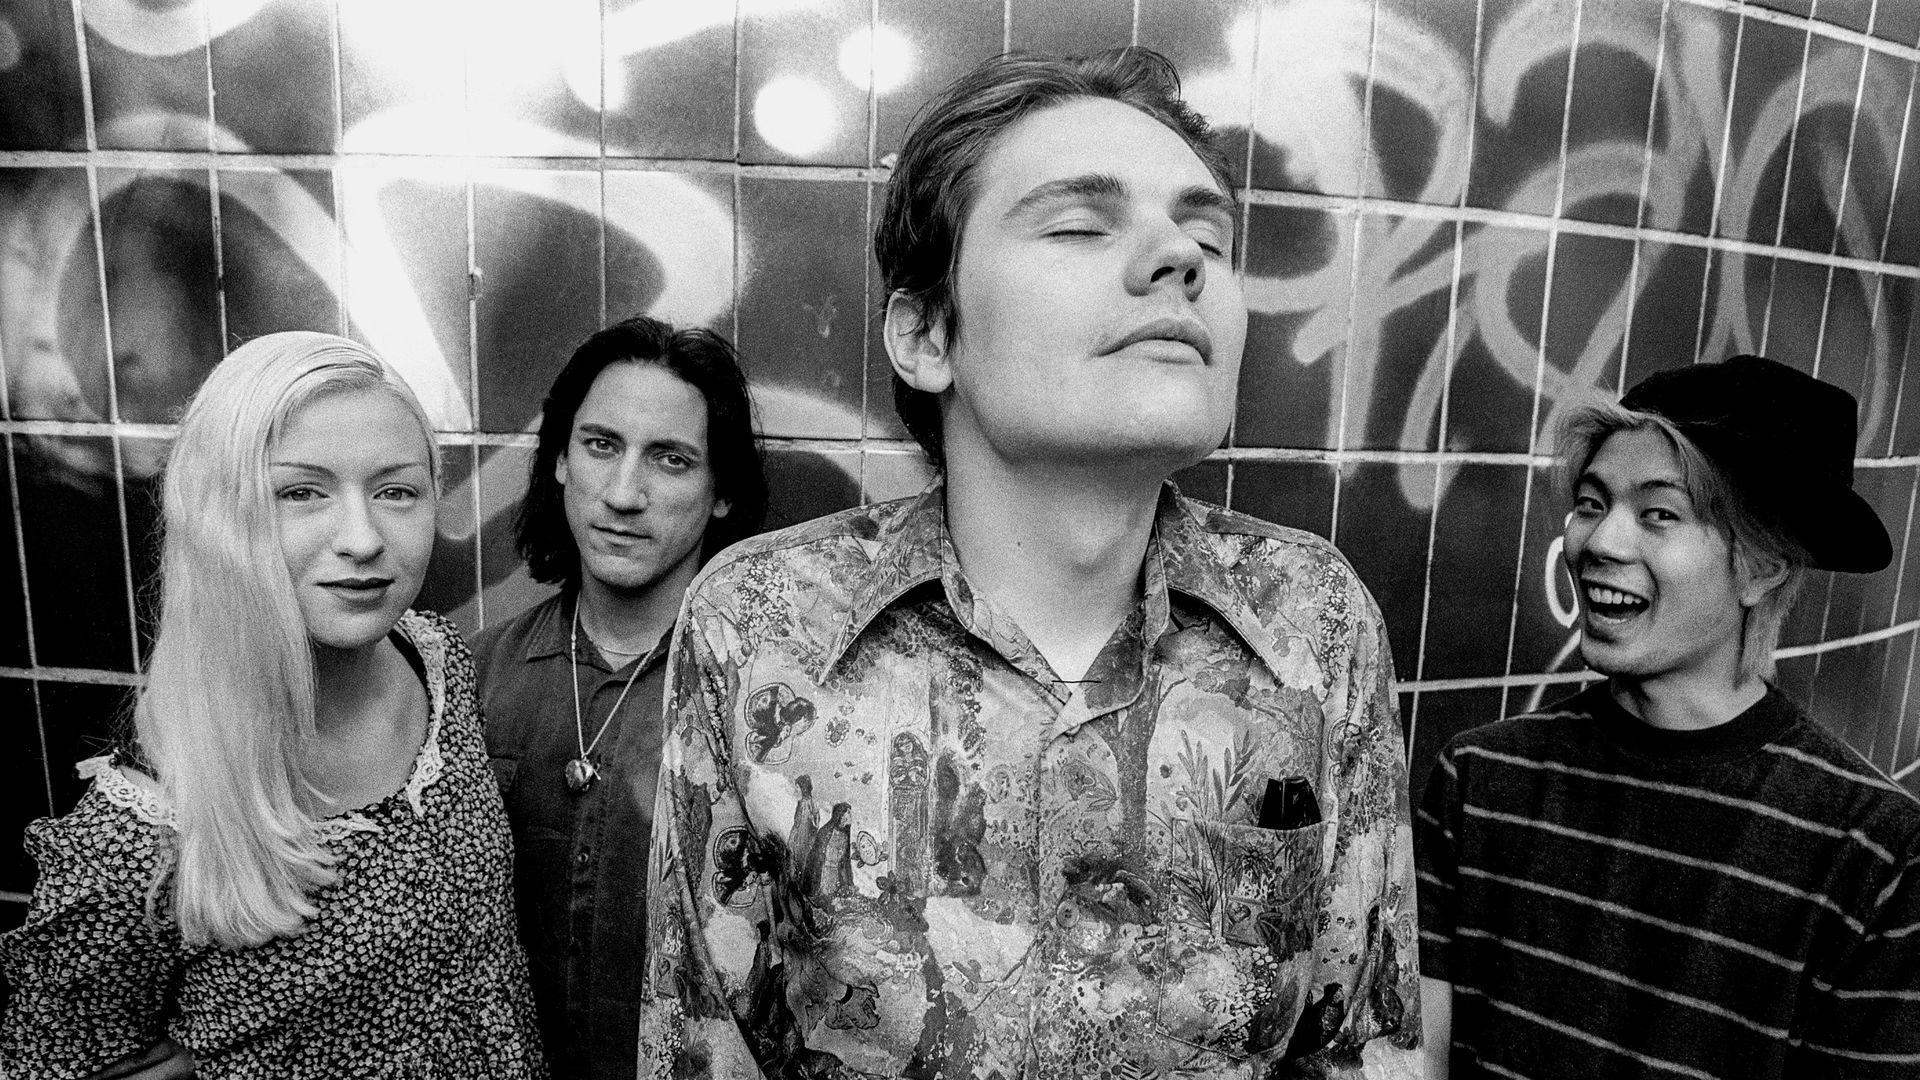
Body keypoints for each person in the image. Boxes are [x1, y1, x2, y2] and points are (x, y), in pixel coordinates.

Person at [640, 48, 1422, 1078]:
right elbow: (706, 1049)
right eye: (1079, 226)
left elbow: (1363, 1046)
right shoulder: (762, 622)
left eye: (1207, 236)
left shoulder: (1312, 618)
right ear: (926, 337)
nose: (1178, 259)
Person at [0, 332, 545, 1079]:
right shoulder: (140, 832)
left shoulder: (438, 660)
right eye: (300, 493)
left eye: (395, 491)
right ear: (219, 517)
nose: (362, 539)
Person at [1416, 355, 1920, 1078]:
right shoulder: (1480, 781)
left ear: (1764, 564)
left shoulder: (1876, 857)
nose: (1599, 543)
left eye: (1658, 514)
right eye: (1591, 503)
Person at [472, 315, 766, 1080]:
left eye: (670, 459)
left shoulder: (769, 703)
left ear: (723, 490)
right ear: (562, 461)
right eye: (601, 446)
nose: (625, 493)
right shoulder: (468, 680)